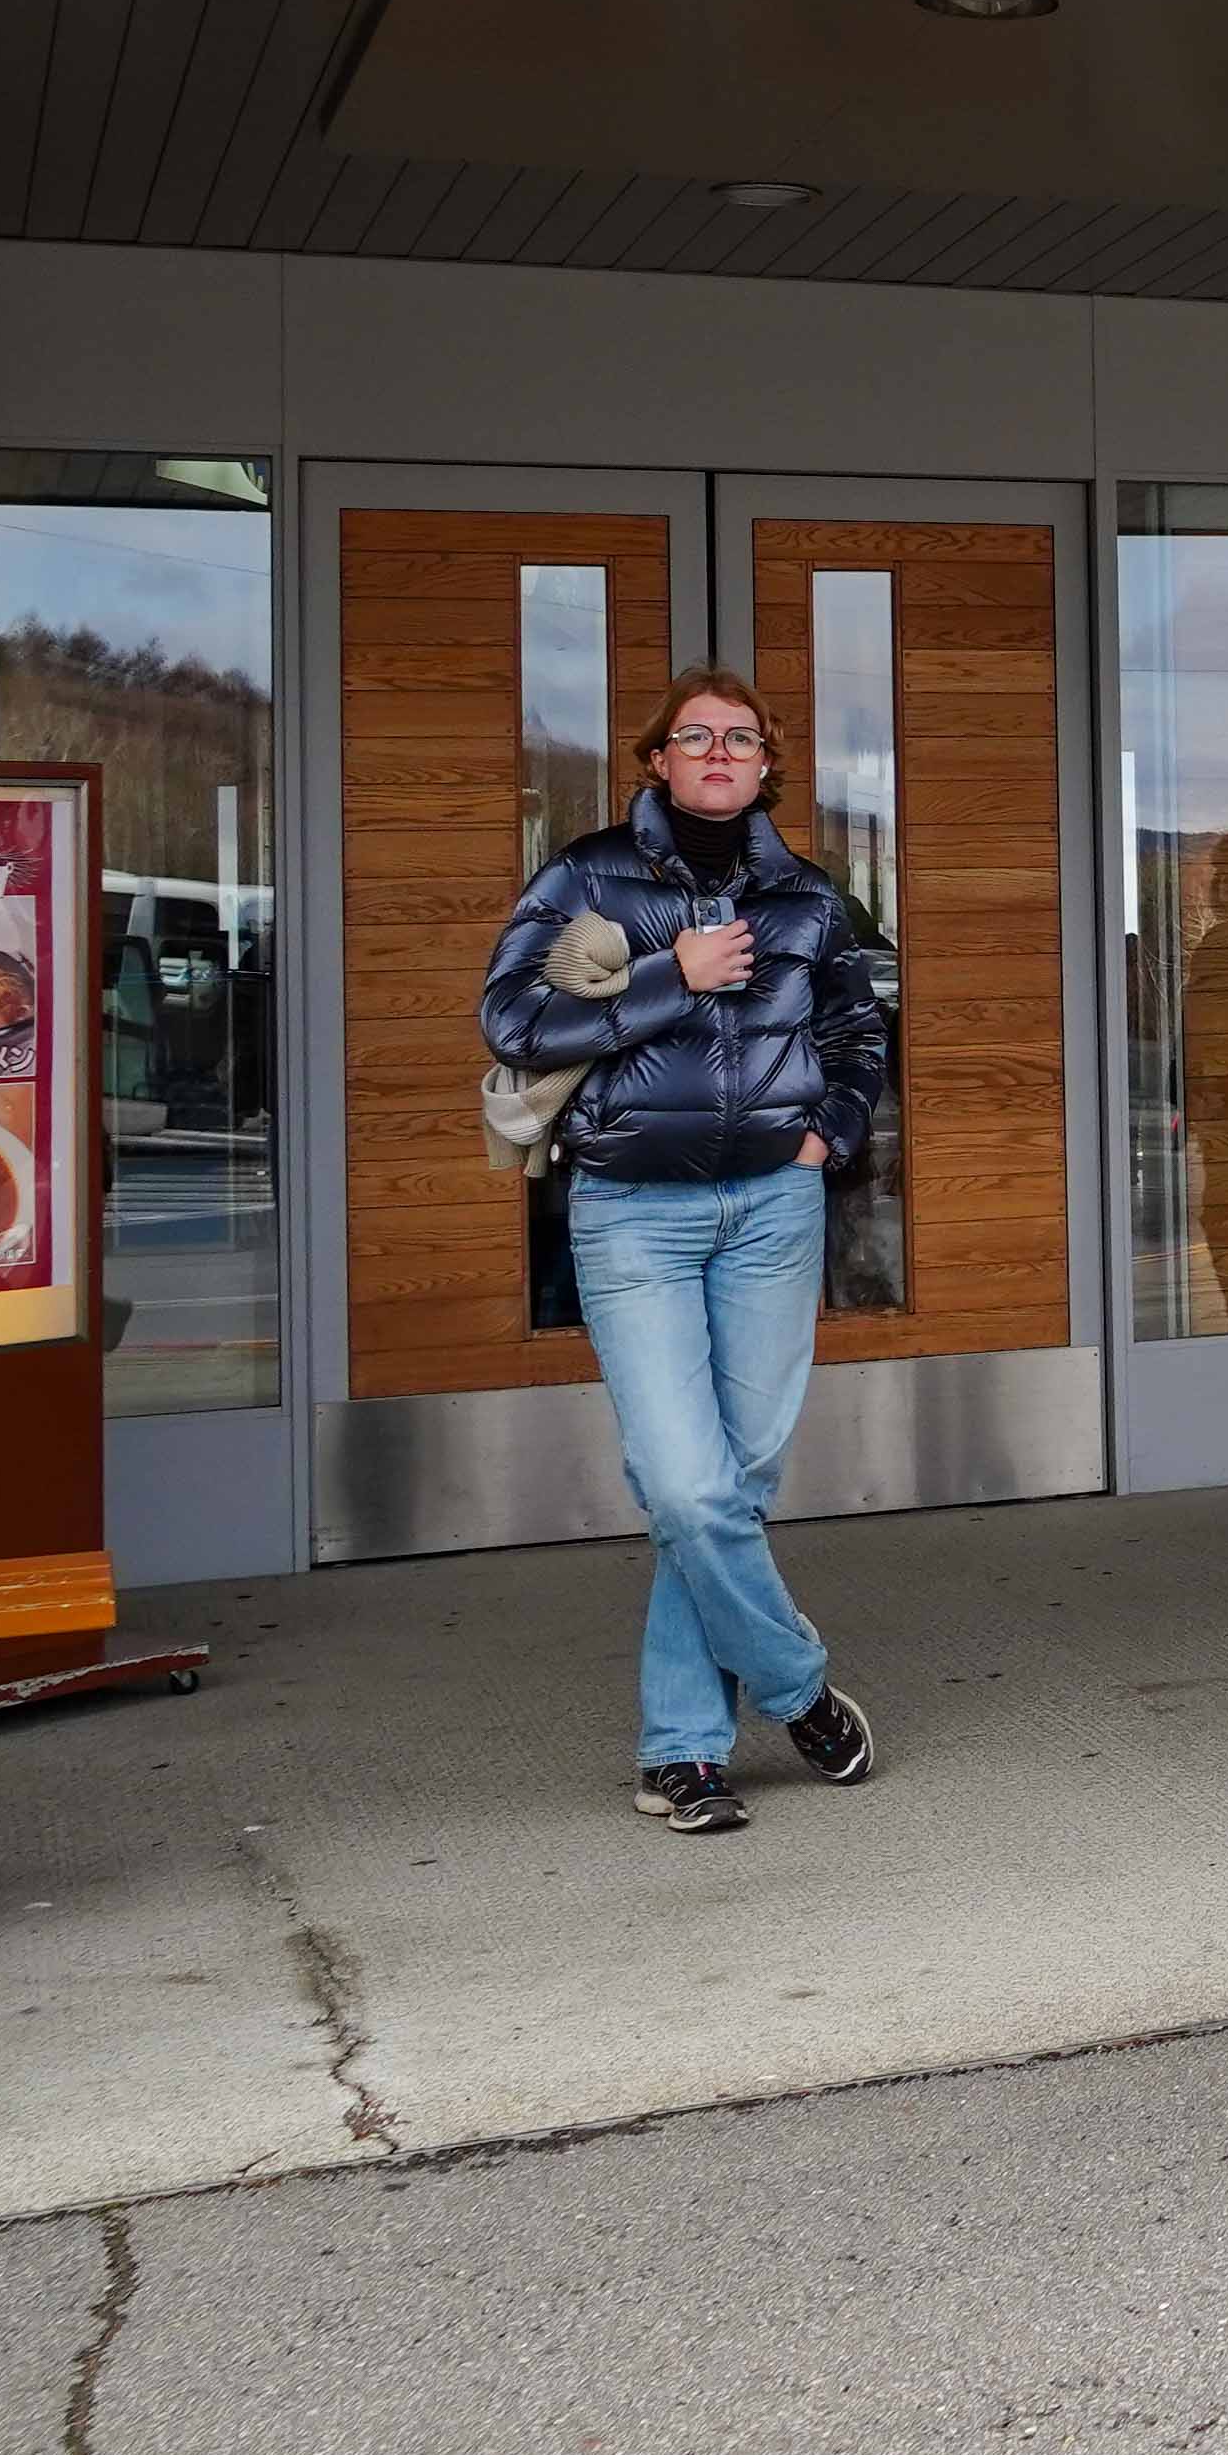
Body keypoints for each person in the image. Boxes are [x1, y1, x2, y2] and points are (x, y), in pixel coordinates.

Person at [485, 669, 892, 1836]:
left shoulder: (808, 896)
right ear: (657, 759)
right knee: (686, 1485)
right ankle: (798, 1687)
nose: (719, 751)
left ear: (768, 764)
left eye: (741, 738)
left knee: (732, 1488)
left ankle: (683, 1754)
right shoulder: (584, 873)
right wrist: (676, 977)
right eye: (695, 735)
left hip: (773, 1207)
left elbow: (857, 1029)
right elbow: (513, 1019)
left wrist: (828, 1134)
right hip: (632, 1211)